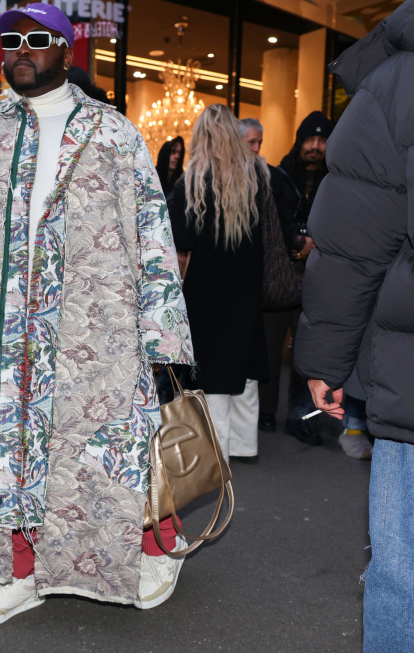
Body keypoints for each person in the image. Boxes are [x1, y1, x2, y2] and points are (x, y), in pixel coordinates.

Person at [0, 3, 194, 629]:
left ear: (68, 52)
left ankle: (153, 548)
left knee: (105, 451)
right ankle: (13, 572)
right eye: (11, 40)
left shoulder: (113, 133)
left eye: (39, 40)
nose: (21, 50)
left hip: (93, 334)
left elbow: (152, 234)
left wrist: (163, 338)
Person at [295, 3, 413, 648]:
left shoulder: (398, 82)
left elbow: (353, 240)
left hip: (410, 372)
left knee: (405, 571)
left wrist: (326, 362)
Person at [169, 104, 270, 464]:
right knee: (244, 366)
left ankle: (217, 453)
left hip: (206, 290)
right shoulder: (258, 175)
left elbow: (181, 237)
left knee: (212, 373)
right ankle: (245, 445)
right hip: (247, 286)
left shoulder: (195, 178)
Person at [265, 111, 333, 446]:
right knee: (270, 341)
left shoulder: (336, 178)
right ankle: (265, 412)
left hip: (320, 275)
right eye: (311, 139)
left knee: (308, 352)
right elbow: (272, 220)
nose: (316, 147)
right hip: (281, 271)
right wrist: (296, 244)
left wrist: (317, 244)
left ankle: (301, 418)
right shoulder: (281, 174)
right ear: (300, 141)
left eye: (322, 141)